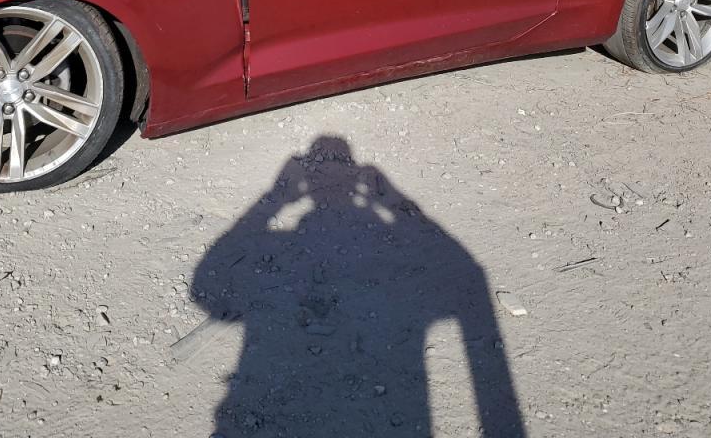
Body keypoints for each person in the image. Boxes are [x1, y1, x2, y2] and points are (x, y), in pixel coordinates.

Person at [192, 136, 525, 437]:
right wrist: (395, 203)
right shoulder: (387, 241)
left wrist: (275, 199)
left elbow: (205, 285)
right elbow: (460, 272)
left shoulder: (283, 239)